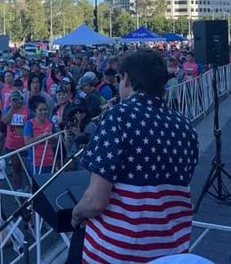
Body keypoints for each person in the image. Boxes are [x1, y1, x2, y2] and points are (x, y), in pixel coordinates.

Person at [70, 49, 199, 263]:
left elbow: (95, 201)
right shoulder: (185, 125)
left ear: (127, 79)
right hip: (170, 252)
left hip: (118, 252)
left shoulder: (118, 116)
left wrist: (76, 213)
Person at [1, 90, 29, 191]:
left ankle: (29, 188)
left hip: (24, 143)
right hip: (12, 144)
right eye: (13, 100)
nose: (16, 102)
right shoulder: (8, 108)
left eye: (17, 100)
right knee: (16, 169)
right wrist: (12, 108)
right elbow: (5, 121)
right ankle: (18, 190)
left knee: (27, 169)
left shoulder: (26, 109)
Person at [23, 97, 56, 175]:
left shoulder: (50, 123)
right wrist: (43, 136)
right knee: (36, 186)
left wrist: (51, 137)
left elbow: (56, 141)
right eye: (40, 110)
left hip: (49, 161)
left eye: (45, 109)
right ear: (35, 112)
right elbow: (27, 142)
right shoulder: (29, 124)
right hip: (35, 162)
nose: (43, 112)